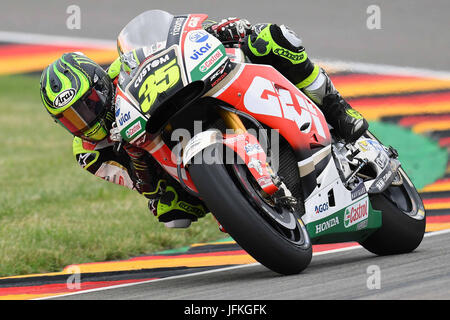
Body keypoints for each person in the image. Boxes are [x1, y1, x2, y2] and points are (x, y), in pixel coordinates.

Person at [39, 16, 368, 229]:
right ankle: (238, 197)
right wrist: (136, 156)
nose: (84, 120)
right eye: (69, 119)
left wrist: (216, 32)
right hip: (166, 168)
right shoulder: (89, 152)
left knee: (271, 39)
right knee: (172, 216)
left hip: (181, 104)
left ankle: (335, 106)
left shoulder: (122, 69)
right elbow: (145, 188)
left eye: (86, 106)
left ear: (99, 85)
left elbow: (174, 45)